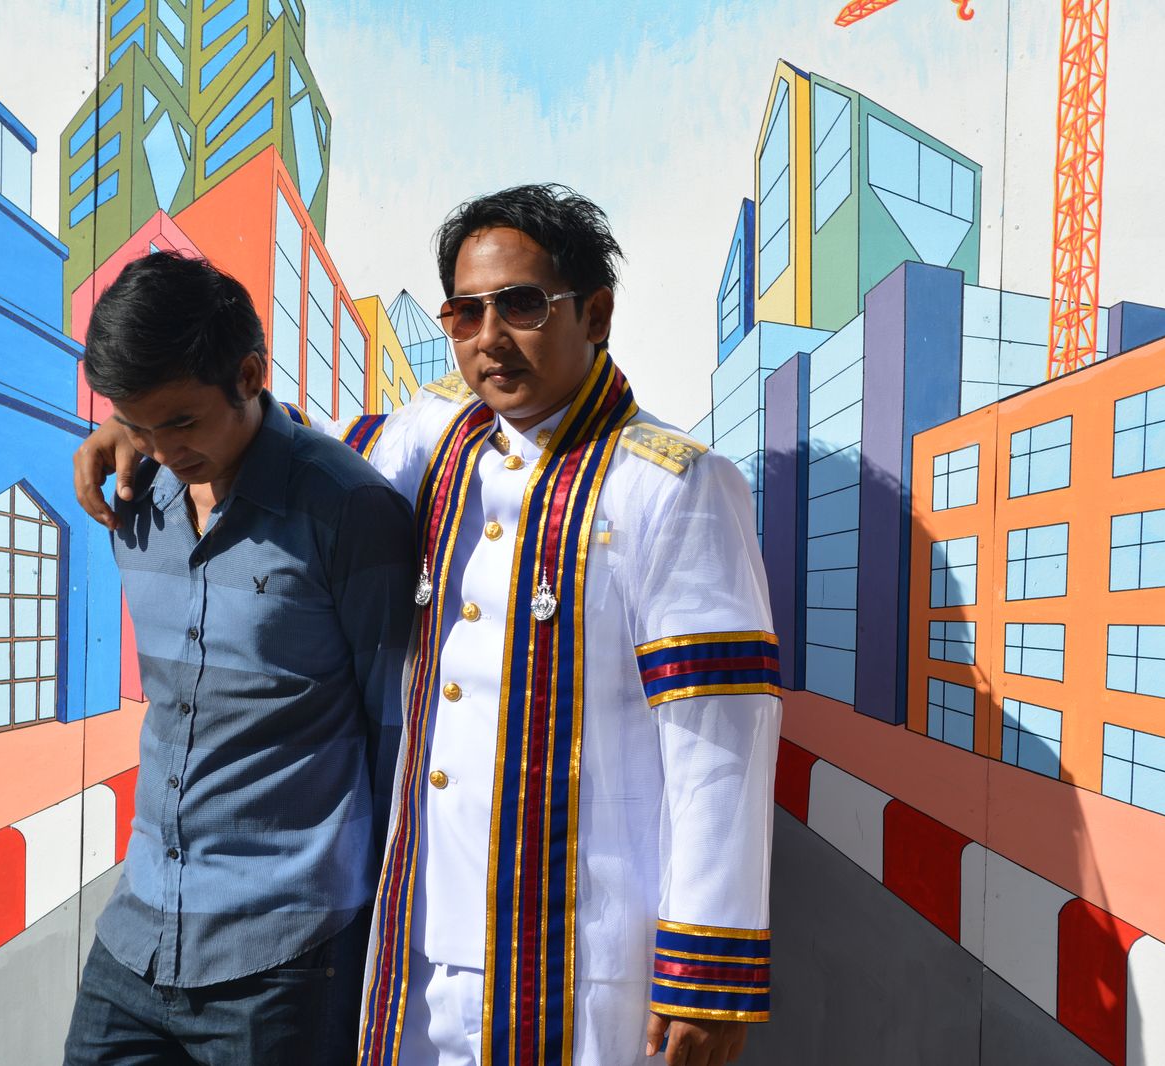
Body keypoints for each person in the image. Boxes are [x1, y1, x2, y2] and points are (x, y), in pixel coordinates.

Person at [75, 186, 780, 1066]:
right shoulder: (436, 435)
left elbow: (719, 736)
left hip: (575, 932)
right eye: (465, 312)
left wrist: (708, 967)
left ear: (595, 314)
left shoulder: (671, 485)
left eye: (522, 305)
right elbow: (284, 451)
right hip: (418, 922)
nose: (490, 337)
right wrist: (141, 429)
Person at [63, 253, 416, 1065]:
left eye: (181, 422)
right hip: (138, 931)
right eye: (139, 424)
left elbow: (397, 738)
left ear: (251, 374)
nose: (162, 448)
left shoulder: (349, 510)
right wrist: (141, 431)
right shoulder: (134, 495)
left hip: (285, 957)